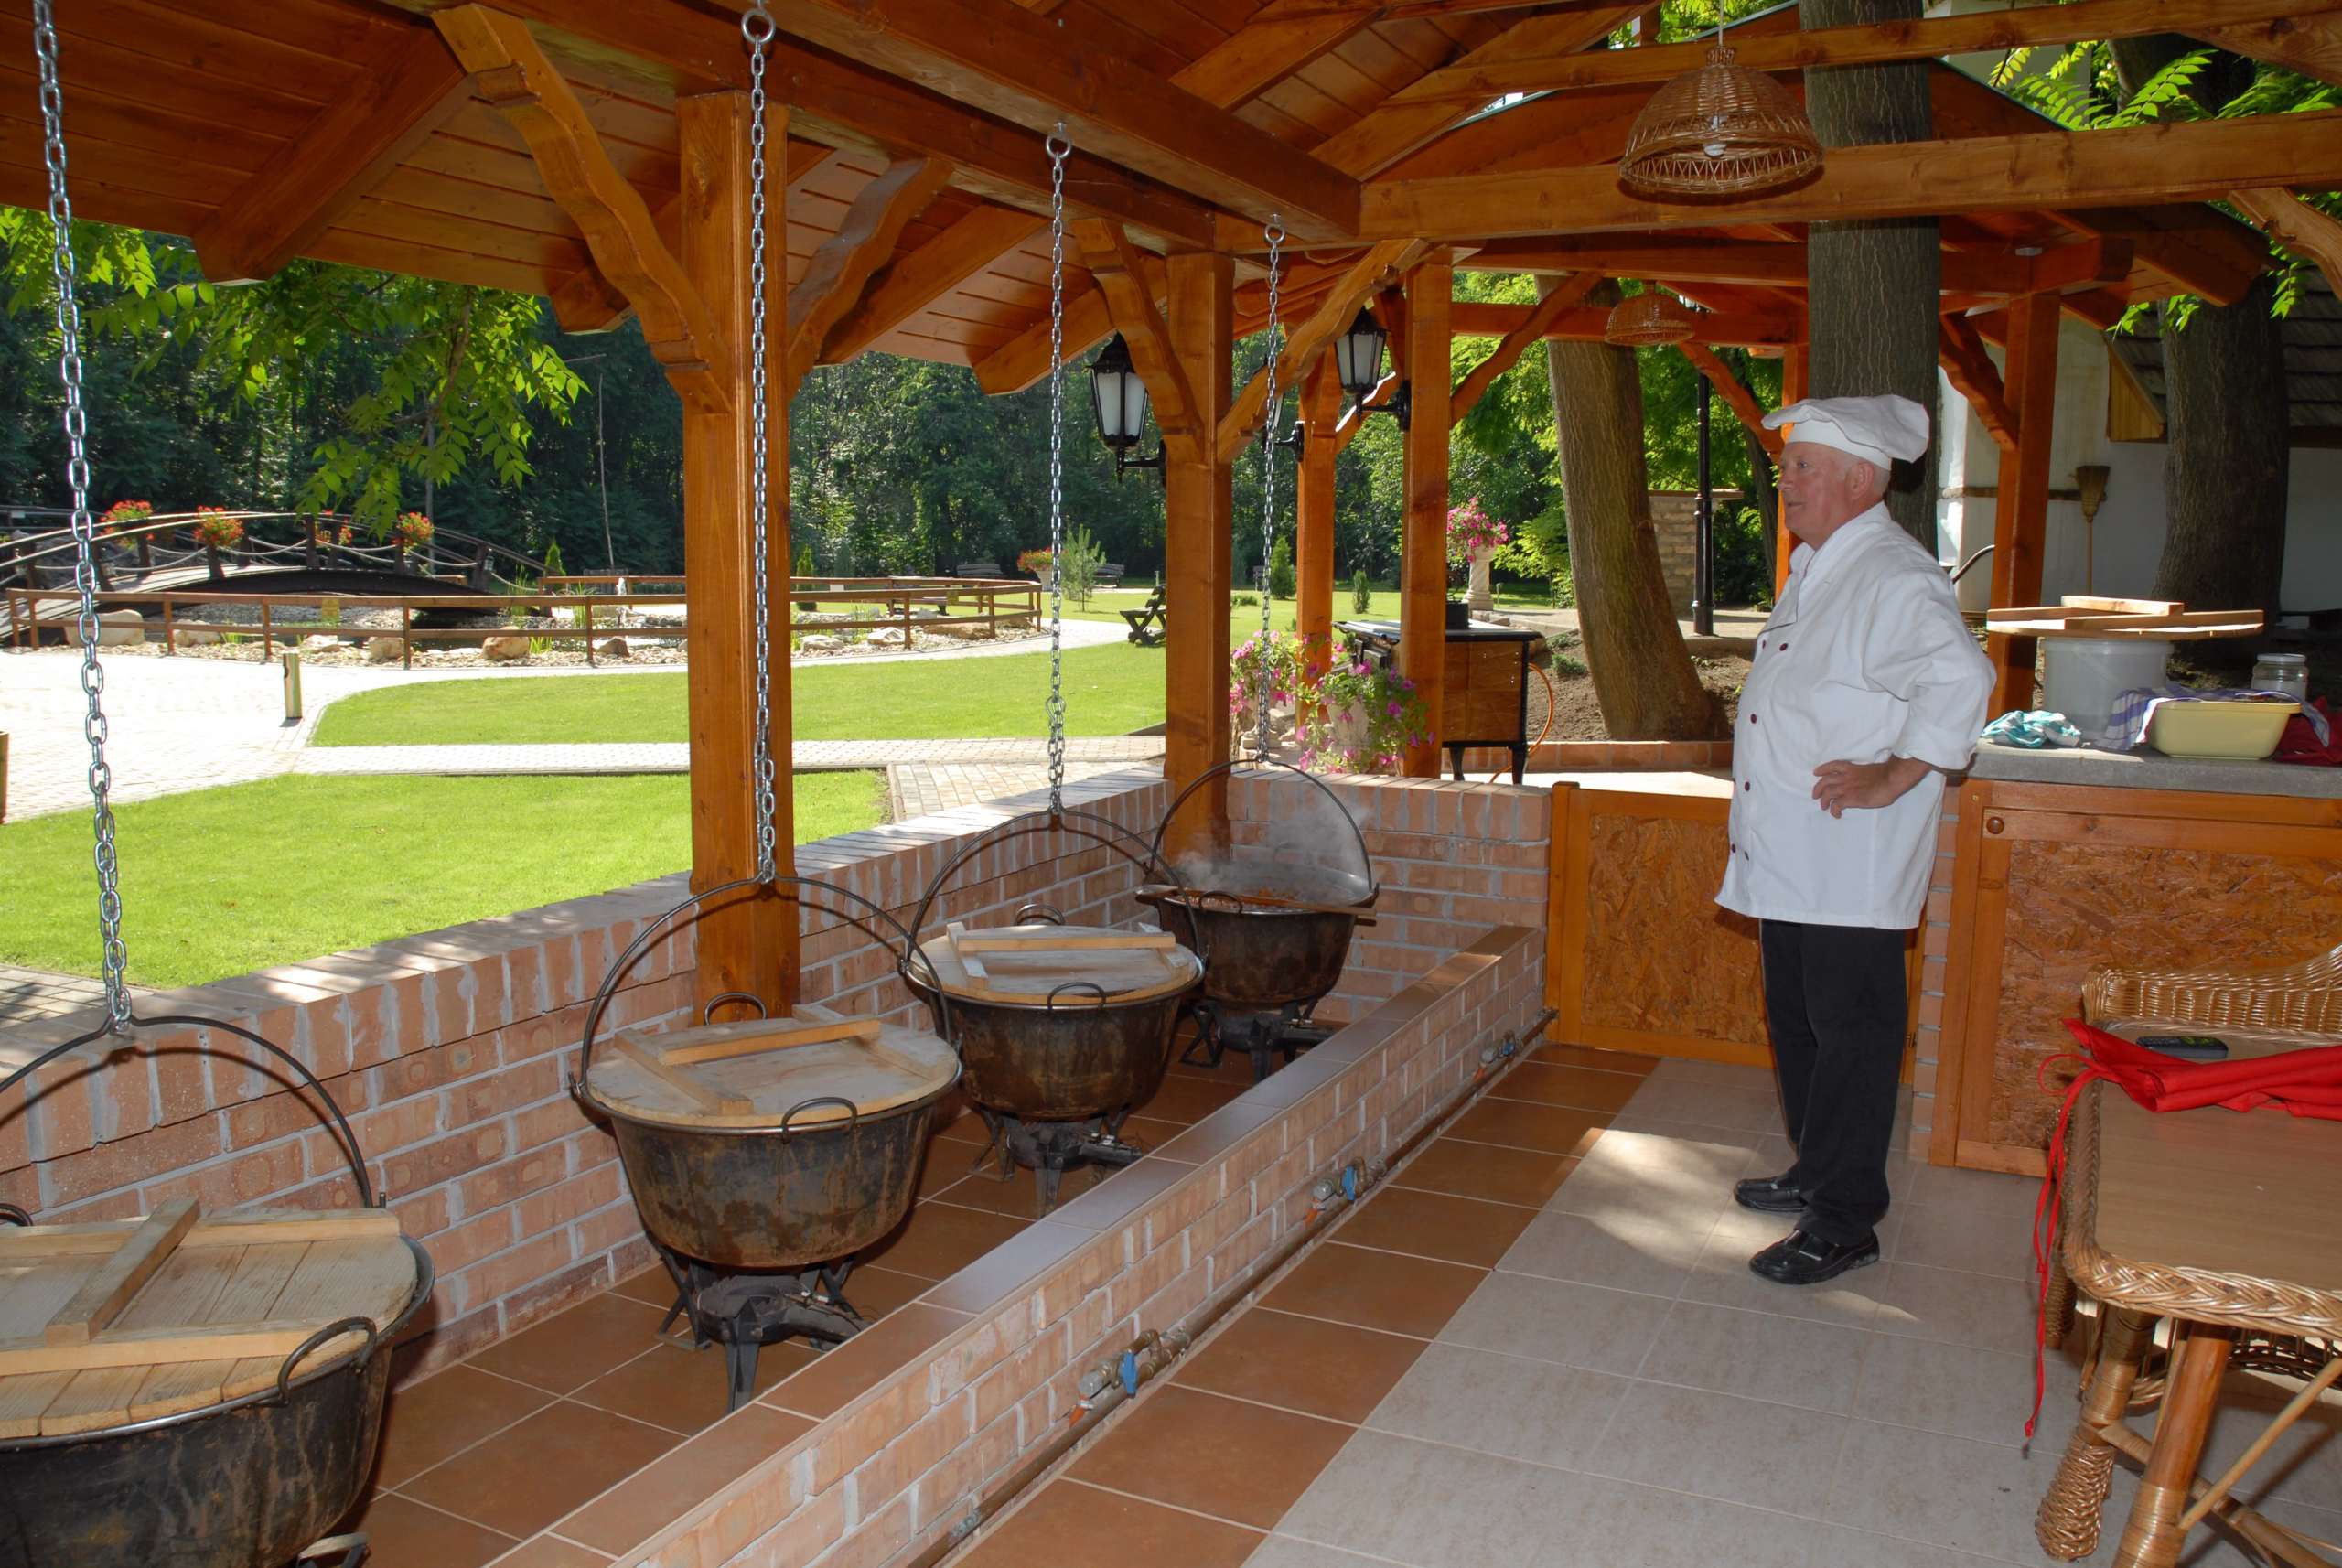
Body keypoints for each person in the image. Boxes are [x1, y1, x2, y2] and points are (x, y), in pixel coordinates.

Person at [1717, 393, 1993, 1287]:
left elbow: (1960, 679)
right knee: (1800, 1022)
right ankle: (1816, 1169)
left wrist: (1894, 774)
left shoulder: (1891, 576)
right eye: (1787, 466)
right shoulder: (1821, 565)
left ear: (1860, 480)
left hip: (1848, 857)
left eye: (1802, 467)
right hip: (1796, 852)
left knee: (1851, 1034)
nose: (1786, 482)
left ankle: (1844, 1221)